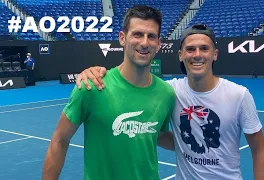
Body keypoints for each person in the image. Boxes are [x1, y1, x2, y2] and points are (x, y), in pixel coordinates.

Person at [76, 23, 264, 180]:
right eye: (190, 49)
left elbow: (259, 150)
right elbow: (151, 123)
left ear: (215, 54)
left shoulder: (239, 95)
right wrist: (95, 72)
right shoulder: (169, 92)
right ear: (181, 55)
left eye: (204, 48)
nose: (197, 55)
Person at [42, 5, 176, 180]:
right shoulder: (92, 86)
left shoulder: (166, 93)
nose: (144, 43)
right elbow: (60, 140)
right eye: (137, 34)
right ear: (122, 38)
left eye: (151, 36)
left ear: (158, 44)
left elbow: (157, 134)